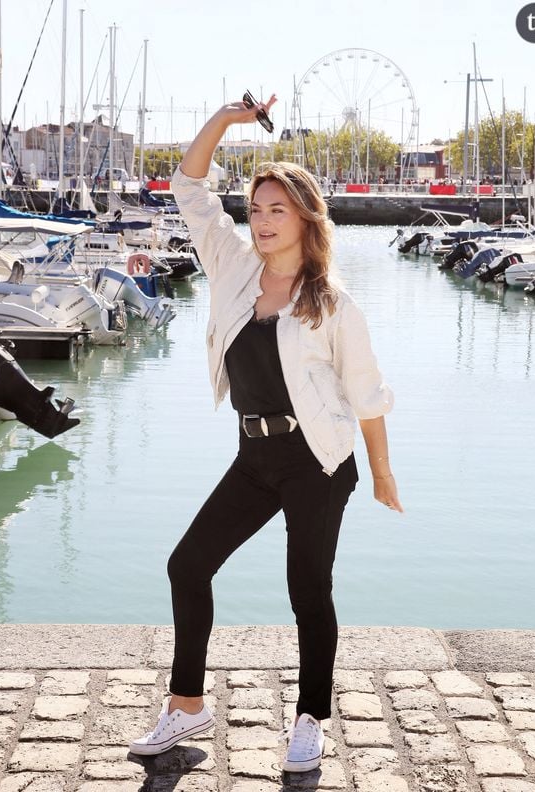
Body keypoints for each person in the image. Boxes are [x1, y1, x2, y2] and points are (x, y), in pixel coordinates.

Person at [129, 94, 403, 773]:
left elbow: (367, 397)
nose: (261, 220)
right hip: (254, 455)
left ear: (308, 216)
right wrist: (226, 120)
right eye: (255, 208)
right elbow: (188, 186)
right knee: (187, 565)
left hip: (318, 461)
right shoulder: (232, 267)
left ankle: (312, 718)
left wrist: (383, 474)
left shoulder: (333, 303)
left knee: (307, 587)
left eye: (277, 208)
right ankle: (187, 704)